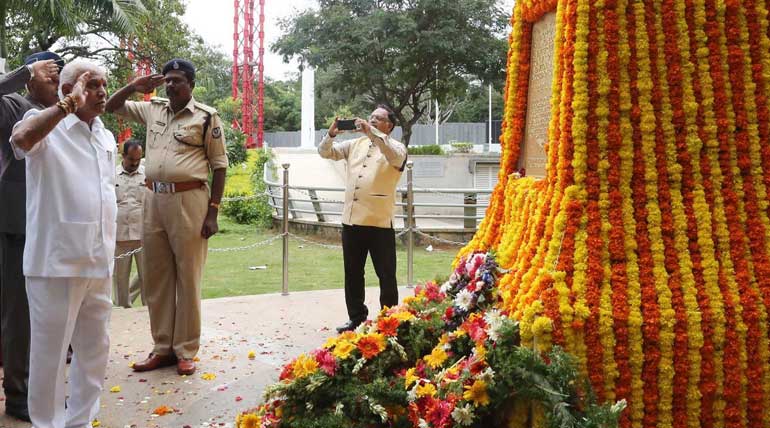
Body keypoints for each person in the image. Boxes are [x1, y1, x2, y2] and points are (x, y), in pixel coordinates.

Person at [10, 59, 115, 428]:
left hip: (98, 261)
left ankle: (81, 422)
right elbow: (21, 140)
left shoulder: (105, 135)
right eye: (93, 85)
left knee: (94, 351)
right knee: (50, 356)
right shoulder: (47, 126)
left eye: (104, 84)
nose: (102, 92)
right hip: (55, 264)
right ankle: (48, 424)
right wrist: (66, 104)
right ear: (70, 89)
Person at [105, 58, 227, 376]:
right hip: (153, 200)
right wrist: (134, 86)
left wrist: (212, 212)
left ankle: (185, 350)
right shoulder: (153, 109)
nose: (170, 85)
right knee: (156, 279)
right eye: (167, 80)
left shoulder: (206, 117)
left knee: (188, 277)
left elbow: (219, 166)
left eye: (177, 80)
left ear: (191, 85)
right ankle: (162, 348)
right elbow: (110, 106)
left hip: (190, 200)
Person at [0, 51, 62, 423]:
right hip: (17, 225)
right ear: (31, 78)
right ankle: (18, 395)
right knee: (18, 314)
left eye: (60, 73)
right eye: (48, 73)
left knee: (48, 314)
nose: (55, 80)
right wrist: (23, 72)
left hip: (54, 227)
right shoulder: (14, 105)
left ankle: (43, 387)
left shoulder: (65, 112)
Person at [318, 105, 407, 333]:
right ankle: (356, 317)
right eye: (371, 118)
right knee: (353, 272)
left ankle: (389, 319)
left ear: (390, 125)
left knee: (386, 274)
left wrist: (372, 133)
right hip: (352, 221)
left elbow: (393, 156)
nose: (373, 121)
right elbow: (325, 152)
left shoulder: (396, 147)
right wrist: (331, 134)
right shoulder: (354, 145)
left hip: (379, 223)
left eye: (379, 119)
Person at [113, 139, 147, 308]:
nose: (134, 163)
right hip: (119, 237)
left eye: (138, 160)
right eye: (131, 159)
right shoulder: (112, 175)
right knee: (120, 281)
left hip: (142, 236)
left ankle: (149, 315)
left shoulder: (147, 175)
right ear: (123, 156)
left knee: (147, 279)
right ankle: (122, 313)